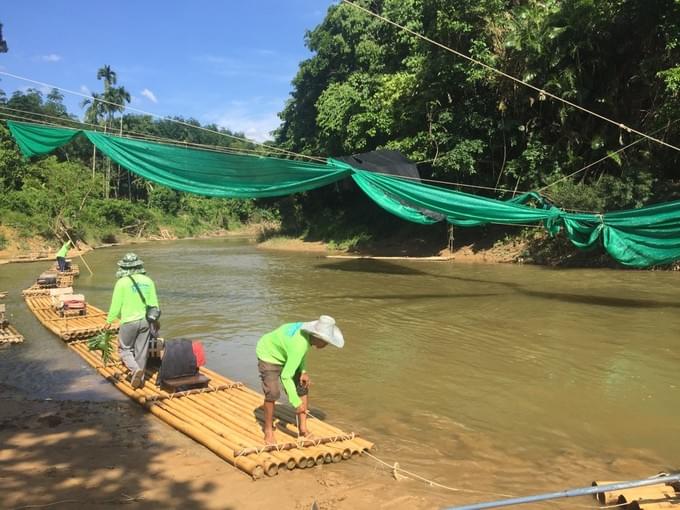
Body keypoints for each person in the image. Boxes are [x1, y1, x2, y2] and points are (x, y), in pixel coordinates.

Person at [256, 315, 344, 445]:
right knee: (273, 392)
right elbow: (286, 375)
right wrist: (296, 402)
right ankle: (268, 430)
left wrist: (303, 371)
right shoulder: (300, 343)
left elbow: (299, 354)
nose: (326, 345)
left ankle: (303, 429)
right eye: (326, 342)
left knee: (302, 385)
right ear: (317, 337)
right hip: (269, 354)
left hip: (286, 352)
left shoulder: (307, 336)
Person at [104, 253, 160, 389]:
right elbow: (154, 304)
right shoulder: (148, 281)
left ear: (124, 267)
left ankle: (135, 371)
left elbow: (116, 305)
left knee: (124, 349)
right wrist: (155, 321)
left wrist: (109, 320)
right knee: (141, 350)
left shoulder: (122, 282)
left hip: (129, 321)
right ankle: (140, 381)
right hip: (146, 321)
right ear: (139, 266)